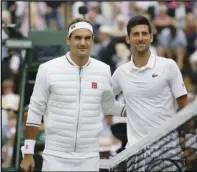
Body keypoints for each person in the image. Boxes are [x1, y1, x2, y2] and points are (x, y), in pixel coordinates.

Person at [20, 17, 126, 171]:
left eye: (87, 38)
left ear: (92, 40)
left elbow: (108, 105)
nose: (82, 42)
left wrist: (132, 109)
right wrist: (28, 153)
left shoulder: (103, 70)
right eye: (77, 37)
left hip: (89, 157)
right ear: (68, 40)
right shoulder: (47, 69)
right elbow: (35, 111)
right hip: (55, 157)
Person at [111, 15, 188, 171]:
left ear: (151, 37)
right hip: (135, 153)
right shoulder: (121, 72)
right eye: (136, 34)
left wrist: (186, 140)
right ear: (128, 39)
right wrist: (124, 111)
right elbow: (104, 100)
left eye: (144, 34)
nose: (141, 38)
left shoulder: (169, 66)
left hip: (167, 151)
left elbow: (184, 107)